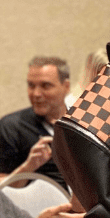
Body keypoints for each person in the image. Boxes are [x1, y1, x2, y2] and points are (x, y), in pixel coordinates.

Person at [0, 57, 70, 189]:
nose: (36, 94)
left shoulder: (83, 122)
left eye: (45, 86)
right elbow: (2, 191)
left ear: (66, 86)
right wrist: (29, 166)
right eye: (31, 85)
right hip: (37, 207)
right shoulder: (11, 126)